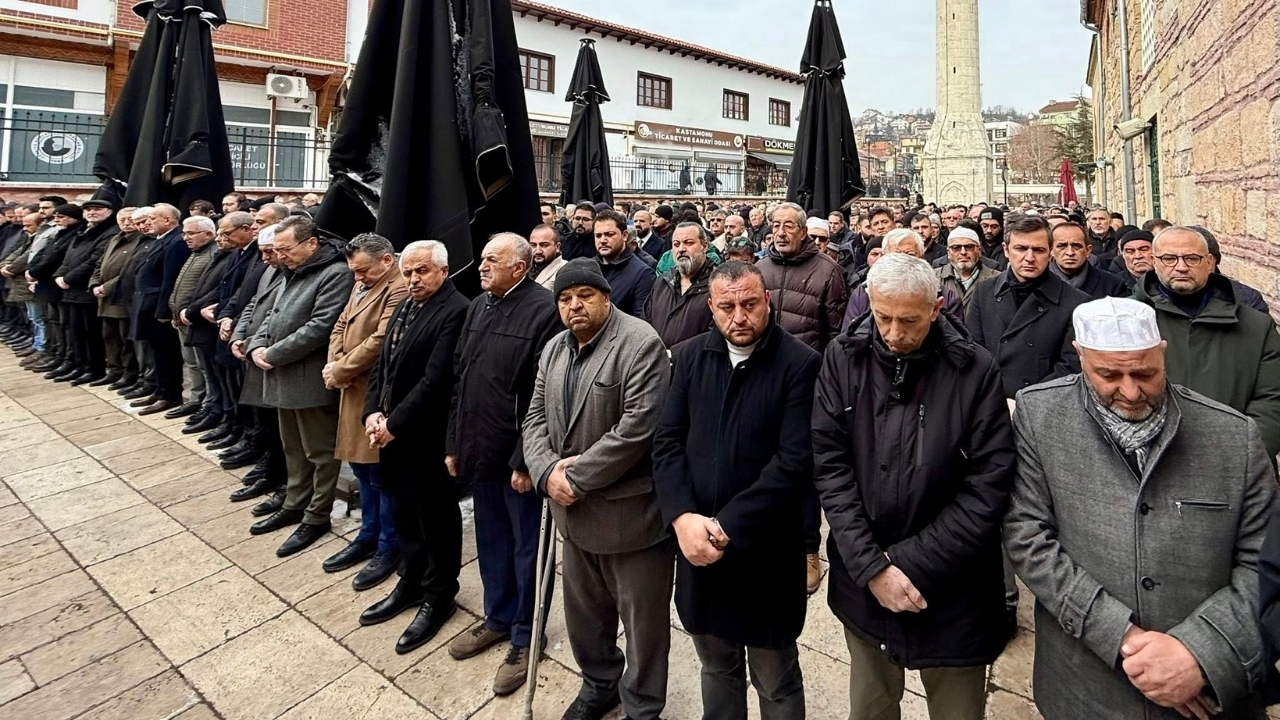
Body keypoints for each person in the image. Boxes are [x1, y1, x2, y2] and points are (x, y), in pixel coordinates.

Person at [1004, 296, 1277, 720]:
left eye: (1145, 373)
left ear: (1162, 353)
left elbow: (1263, 565)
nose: (1130, 391)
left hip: (1209, 698)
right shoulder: (1040, 415)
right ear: (1080, 356)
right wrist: (1125, 640)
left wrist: (1199, 655)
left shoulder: (1233, 437)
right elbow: (1026, 534)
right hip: (1084, 689)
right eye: (1108, 374)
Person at [813, 253, 1016, 720]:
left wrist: (905, 564)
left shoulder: (976, 370)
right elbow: (830, 465)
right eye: (882, 317)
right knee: (870, 704)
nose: (893, 333)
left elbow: (988, 486)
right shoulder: (843, 358)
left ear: (936, 308)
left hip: (953, 584)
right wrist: (872, 566)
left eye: (909, 320)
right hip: (864, 578)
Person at [653, 260, 818, 720]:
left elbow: (794, 462)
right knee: (717, 667)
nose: (739, 317)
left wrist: (726, 526)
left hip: (765, 554)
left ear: (768, 301)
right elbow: (666, 443)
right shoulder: (687, 358)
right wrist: (682, 517)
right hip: (698, 549)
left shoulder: (800, 364)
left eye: (749, 304)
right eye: (727, 307)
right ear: (711, 308)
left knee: (776, 679)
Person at [522, 258, 672, 720]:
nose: (574, 306)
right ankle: (599, 683)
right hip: (573, 515)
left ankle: (643, 705)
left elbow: (637, 430)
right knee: (585, 617)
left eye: (584, 296)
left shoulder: (640, 343)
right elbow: (534, 419)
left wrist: (574, 478)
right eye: (565, 299)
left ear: (606, 297)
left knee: (643, 625)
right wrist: (546, 472)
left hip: (630, 517)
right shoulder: (553, 349)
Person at [443, 233, 562, 696]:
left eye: (492, 260)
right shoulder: (478, 305)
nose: (482, 266)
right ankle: (496, 616)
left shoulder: (543, 309)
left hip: (519, 460)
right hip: (478, 451)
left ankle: (525, 634)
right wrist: (454, 441)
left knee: (527, 548)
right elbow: (461, 377)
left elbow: (544, 394)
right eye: (483, 259)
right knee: (491, 540)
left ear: (520, 266)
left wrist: (525, 459)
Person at [360, 240, 469, 654]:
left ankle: (440, 596)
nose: (413, 279)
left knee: (435, 519)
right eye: (408, 272)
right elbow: (384, 364)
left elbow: (437, 379)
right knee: (404, 512)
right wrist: (371, 412)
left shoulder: (455, 309)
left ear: (442, 271)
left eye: (422, 271)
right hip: (391, 434)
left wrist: (394, 424)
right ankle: (410, 581)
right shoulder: (406, 305)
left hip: (426, 437)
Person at [244, 215, 353, 557]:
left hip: (308, 378)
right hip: (280, 374)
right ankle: (294, 502)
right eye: (276, 250)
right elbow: (272, 315)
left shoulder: (333, 274)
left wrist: (273, 353)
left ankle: (316, 515)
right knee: (293, 447)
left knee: (319, 451)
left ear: (311, 243)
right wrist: (256, 344)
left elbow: (321, 326)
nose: (279, 256)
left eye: (285, 249)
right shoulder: (291, 270)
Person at [757, 201, 848, 595]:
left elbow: (837, 338)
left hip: (807, 386)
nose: (781, 231)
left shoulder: (828, 271)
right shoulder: (758, 269)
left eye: (789, 225)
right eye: (775, 224)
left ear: (803, 230)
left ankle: (809, 550)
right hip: (762, 383)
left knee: (804, 468)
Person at [1132, 226, 1280, 458]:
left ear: (1209, 262)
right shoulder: (1126, 320)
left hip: (1237, 464)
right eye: (1169, 258)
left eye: (1192, 258)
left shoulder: (1257, 326)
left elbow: (1271, 400)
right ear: (1154, 260)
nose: (1181, 267)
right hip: (1151, 465)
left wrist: (1242, 457)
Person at [320, 233, 407, 591]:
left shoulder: (398, 286)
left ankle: (388, 545)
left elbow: (381, 339)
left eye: (364, 270)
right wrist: (333, 362)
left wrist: (341, 369)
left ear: (386, 261)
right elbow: (341, 324)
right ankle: (367, 535)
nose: (358, 278)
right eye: (354, 271)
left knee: (380, 475)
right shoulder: (362, 284)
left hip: (374, 392)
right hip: (350, 388)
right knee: (360, 470)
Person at [967, 214, 1090, 399]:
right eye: (1021, 248)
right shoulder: (984, 291)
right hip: (991, 402)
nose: (1029, 258)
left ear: (1050, 252)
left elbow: (1069, 367)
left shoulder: (1076, 302)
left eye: (1038, 250)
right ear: (1006, 250)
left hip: (1045, 406)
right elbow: (973, 351)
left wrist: (1027, 402)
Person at [229, 226, 288, 511]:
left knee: (278, 427)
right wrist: (240, 334)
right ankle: (268, 470)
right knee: (262, 419)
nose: (265, 258)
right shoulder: (269, 270)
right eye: (263, 252)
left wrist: (259, 346)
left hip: (271, 358)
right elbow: (255, 303)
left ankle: (278, 477)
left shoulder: (292, 271)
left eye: (270, 252)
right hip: (255, 352)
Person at [128, 203, 189, 415]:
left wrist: (164, 311)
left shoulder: (177, 241)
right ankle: (161, 389)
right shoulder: (161, 240)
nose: (148, 222)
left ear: (168, 220)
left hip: (159, 307)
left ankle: (170, 394)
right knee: (157, 352)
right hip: (148, 304)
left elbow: (170, 279)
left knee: (167, 352)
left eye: (153, 218)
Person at [843, 229, 963, 330]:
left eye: (909, 255)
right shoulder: (863, 294)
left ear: (922, 258)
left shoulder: (945, 296)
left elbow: (953, 342)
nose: (903, 262)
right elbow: (850, 339)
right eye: (896, 256)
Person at [54, 197, 118, 385]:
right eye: (88, 210)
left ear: (108, 212)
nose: (92, 212)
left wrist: (68, 278)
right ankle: (79, 365)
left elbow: (93, 261)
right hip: (71, 291)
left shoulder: (109, 232)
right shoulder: (83, 231)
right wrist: (59, 275)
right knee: (76, 332)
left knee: (91, 334)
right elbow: (68, 258)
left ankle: (93, 368)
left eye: (98, 209)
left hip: (86, 291)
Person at [166, 216, 219, 419]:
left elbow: (206, 290)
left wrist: (189, 310)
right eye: (185, 233)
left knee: (203, 366)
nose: (186, 238)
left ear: (207, 234)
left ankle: (206, 403)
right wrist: (175, 311)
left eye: (191, 233)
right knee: (191, 363)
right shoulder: (196, 253)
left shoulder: (212, 254)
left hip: (197, 320)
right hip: (183, 318)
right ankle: (193, 400)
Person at [90, 207, 140, 389]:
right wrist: (94, 284)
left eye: (130, 219)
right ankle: (114, 370)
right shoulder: (114, 239)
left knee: (125, 339)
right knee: (109, 337)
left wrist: (107, 287)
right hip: (104, 299)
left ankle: (129, 373)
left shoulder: (139, 241)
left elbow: (130, 271)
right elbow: (99, 264)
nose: (126, 223)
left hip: (121, 298)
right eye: (122, 220)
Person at [646, 222, 717, 348]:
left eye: (688, 243)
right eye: (676, 244)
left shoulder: (717, 285)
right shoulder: (662, 282)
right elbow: (645, 323)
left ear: (704, 246)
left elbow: (714, 336)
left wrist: (677, 354)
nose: (681, 249)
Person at [593, 209, 652, 318]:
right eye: (598, 236)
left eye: (609, 234)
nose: (602, 240)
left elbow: (641, 321)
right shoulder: (588, 267)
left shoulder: (643, 274)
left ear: (625, 235)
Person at [1049, 221, 1128, 299]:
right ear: (1051, 250)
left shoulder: (1112, 284)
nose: (1070, 253)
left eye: (1076, 246)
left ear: (1088, 250)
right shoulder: (1037, 283)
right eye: (1062, 246)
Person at [937, 225, 999, 315]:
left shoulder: (997, 279)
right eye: (956, 248)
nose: (963, 252)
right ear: (948, 253)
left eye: (969, 247)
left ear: (979, 250)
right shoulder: (933, 278)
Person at [530, 224, 566, 291]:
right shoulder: (524, 270)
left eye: (544, 245)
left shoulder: (565, 270)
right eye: (533, 245)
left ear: (557, 247)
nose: (538, 251)